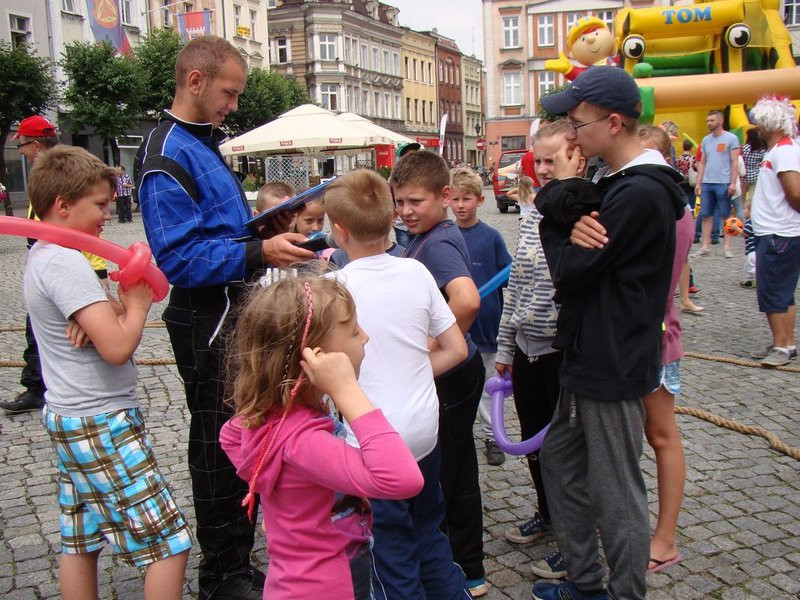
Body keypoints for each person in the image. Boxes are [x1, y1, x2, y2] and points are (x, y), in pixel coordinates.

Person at [134, 35, 315, 599]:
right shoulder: (168, 152)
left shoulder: (202, 142)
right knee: (217, 443)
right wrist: (259, 251)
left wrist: (261, 230)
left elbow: (215, 230)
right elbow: (179, 258)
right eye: (229, 93)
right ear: (195, 81)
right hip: (205, 316)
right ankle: (222, 574)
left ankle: (236, 559)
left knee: (242, 432)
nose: (234, 105)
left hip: (232, 308)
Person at [533, 66, 686, 600]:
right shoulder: (612, 184)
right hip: (589, 352)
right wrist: (563, 204)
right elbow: (557, 209)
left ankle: (622, 593)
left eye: (578, 122)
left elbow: (570, 271)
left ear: (614, 122)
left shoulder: (638, 194)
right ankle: (585, 581)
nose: (570, 134)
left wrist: (560, 215)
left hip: (611, 361)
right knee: (558, 460)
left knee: (617, 487)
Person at [24, 145, 192, 600]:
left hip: (70, 416)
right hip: (100, 421)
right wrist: (135, 306)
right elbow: (117, 346)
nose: (108, 213)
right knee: (169, 544)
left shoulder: (45, 256)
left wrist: (111, 311)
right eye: (99, 204)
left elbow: (103, 321)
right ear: (63, 205)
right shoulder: (64, 261)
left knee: (81, 539)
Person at [220, 275, 424, 599]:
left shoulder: (271, 418)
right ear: (317, 356)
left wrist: (280, 490)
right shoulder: (303, 444)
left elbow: (229, 435)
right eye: (354, 330)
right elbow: (402, 478)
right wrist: (347, 390)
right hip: (331, 585)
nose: (366, 337)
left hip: (291, 581)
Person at [323, 169, 470, 600]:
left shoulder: (333, 288)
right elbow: (457, 349)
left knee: (390, 550)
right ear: (392, 220)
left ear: (339, 230)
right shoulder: (416, 273)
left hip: (372, 444)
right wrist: (415, 373)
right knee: (428, 533)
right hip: (424, 431)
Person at [581, 125, 690, 574]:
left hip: (654, 337)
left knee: (660, 434)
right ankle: (623, 530)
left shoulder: (665, 206)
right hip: (632, 337)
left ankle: (662, 538)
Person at [392, 150, 487, 596]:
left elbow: (467, 300)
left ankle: (459, 566)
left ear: (445, 196)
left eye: (416, 202)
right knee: (457, 464)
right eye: (399, 203)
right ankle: (462, 564)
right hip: (458, 370)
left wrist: (431, 351)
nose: (406, 212)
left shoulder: (440, 242)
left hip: (452, 374)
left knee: (450, 472)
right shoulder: (430, 234)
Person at [497, 122, 583, 581]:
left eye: (553, 159)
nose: (545, 169)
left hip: (564, 351)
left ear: (577, 157)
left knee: (566, 452)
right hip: (527, 346)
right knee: (533, 440)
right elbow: (516, 285)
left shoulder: (585, 211)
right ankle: (548, 514)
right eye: (540, 161)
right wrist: (506, 346)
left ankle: (577, 543)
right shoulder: (531, 211)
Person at [450, 167, 512, 467]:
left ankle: (491, 436)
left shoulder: (492, 237)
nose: (461, 205)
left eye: (468, 199)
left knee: (488, 386)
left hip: (487, 326)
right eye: (456, 199)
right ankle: (460, 437)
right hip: (455, 328)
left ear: (480, 200)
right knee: (456, 385)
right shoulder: (445, 237)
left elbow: (508, 274)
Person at [0, 115, 60, 414]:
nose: (21, 151)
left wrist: (98, 274)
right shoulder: (49, 174)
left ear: (36, 145)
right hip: (46, 262)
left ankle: (38, 387)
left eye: (22, 145)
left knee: (38, 329)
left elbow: (85, 234)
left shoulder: (56, 177)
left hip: (56, 267)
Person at [747, 96, 800, 367]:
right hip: (776, 230)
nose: (756, 126)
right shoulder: (780, 149)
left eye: (760, 122)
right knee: (781, 291)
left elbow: (795, 192)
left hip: (779, 233)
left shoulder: (785, 151)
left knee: (774, 292)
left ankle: (782, 347)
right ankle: (785, 343)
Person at [693, 110, 740, 258]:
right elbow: (702, 162)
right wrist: (698, 182)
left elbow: (734, 162)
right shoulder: (706, 140)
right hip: (707, 182)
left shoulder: (731, 139)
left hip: (723, 182)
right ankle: (705, 246)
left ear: (720, 121)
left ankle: (727, 246)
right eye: (707, 121)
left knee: (726, 215)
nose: (709, 123)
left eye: (712, 120)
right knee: (705, 214)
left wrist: (733, 183)